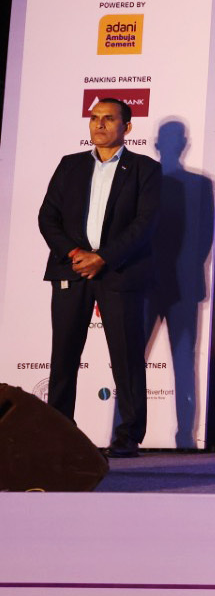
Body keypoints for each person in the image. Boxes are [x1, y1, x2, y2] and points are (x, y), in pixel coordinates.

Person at [39, 98, 161, 458]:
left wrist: (104, 257)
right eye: (94, 118)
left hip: (119, 273)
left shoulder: (145, 170)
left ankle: (128, 436)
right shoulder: (70, 165)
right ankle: (59, 433)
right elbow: (48, 217)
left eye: (109, 119)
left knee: (125, 357)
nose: (99, 125)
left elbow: (145, 224)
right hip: (71, 271)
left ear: (127, 127)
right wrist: (77, 255)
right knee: (63, 356)